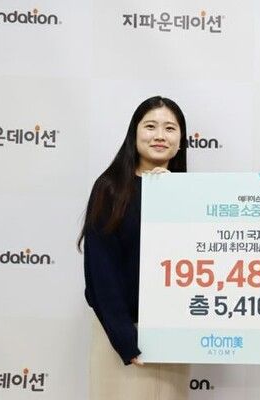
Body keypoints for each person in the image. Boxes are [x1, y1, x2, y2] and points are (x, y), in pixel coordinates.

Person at [78, 96, 189, 400]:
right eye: (150, 126)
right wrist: (126, 339)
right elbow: (101, 272)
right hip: (121, 336)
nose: (160, 135)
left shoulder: (189, 194)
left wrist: (172, 195)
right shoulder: (110, 188)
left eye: (170, 128)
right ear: (134, 133)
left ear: (181, 140)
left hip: (172, 334)